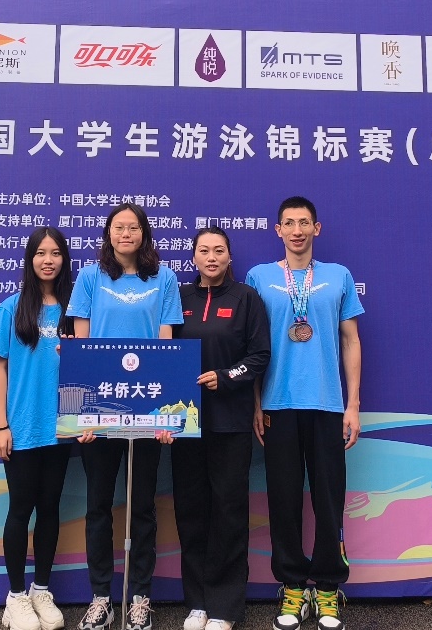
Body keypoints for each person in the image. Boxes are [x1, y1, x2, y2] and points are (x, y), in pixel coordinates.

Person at [246, 196, 363, 630]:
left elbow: (350, 340)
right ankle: (293, 586)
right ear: (278, 230)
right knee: (284, 500)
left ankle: (328, 588)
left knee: (329, 500)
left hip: (328, 405)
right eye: (289, 223)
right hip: (277, 405)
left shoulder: (338, 276)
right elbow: (253, 346)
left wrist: (352, 405)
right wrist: (255, 404)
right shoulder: (259, 277)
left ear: (317, 228)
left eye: (304, 223)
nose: (297, 231)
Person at [69, 203, 185, 630]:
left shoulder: (164, 278)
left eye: (133, 227)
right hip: (100, 409)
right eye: (118, 227)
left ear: (144, 234)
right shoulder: (89, 277)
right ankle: (101, 596)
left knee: (142, 507)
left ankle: (139, 597)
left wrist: (165, 417)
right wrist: (81, 416)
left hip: (146, 409)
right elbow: (81, 345)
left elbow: (167, 343)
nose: (125, 234)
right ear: (108, 234)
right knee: (98, 505)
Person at [173, 227, 270, 630]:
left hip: (231, 422)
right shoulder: (179, 297)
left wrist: (227, 376)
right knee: (191, 510)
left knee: (229, 511)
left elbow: (260, 354)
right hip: (184, 422)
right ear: (193, 257)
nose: (211, 257)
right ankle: (197, 602)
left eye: (218, 250)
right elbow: (161, 350)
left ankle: (225, 607)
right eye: (204, 250)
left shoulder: (246, 298)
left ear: (229, 257)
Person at [0, 227, 75, 630]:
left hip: (63, 426)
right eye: (40, 253)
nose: (48, 260)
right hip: (21, 428)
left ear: (64, 259)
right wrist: (1, 425)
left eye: (55, 253)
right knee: (21, 509)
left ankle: (41, 590)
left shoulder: (75, 309)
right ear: (29, 259)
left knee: (51, 507)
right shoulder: (12, 308)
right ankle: (16, 597)